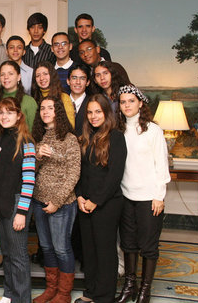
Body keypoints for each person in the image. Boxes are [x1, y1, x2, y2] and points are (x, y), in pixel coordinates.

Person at [116, 85, 170, 303]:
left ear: (140, 103)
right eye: (123, 102)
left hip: (149, 198)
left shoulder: (153, 130)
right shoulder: (118, 130)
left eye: (131, 101)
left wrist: (159, 195)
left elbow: (161, 165)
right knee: (128, 244)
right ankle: (130, 285)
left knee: (148, 246)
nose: (127, 105)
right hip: (125, 196)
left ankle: (145, 291)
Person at [74, 94, 127, 303]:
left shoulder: (116, 137)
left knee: (105, 251)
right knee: (89, 250)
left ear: (106, 113)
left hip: (107, 203)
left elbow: (115, 175)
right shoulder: (86, 136)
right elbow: (79, 171)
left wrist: (95, 200)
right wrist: (79, 196)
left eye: (98, 112)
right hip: (84, 202)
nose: (94, 116)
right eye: (90, 112)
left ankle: (104, 297)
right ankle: (91, 292)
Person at [31, 96, 81, 303]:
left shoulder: (69, 139)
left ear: (58, 111)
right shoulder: (37, 138)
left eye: (50, 108)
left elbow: (73, 174)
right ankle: (51, 289)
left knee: (61, 248)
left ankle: (64, 293)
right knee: (47, 247)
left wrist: (56, 202)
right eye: (42, 108)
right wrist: (37, 156)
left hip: (62, 204)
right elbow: (31, 171)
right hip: (38, 201)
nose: (45, 111)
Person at [0, 97, 36, 303]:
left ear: (18, 116)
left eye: (9, 112)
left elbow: (29, 180)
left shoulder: (26, 142)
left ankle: (22, 298)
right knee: (7, 253)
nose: (4, 116)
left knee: (18, 256)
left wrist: (22, 213)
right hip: (0, 204)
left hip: (17, 204)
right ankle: (9, 294)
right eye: (1, 112)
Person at [31, 61, 75, 128]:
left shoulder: (63, 97)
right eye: (38, 75)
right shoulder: (34, 98)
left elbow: (70, 126)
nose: (42, 78)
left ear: (52, 75)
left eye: (45, 74)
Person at [0, 61, 37, 131]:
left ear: (19, 77)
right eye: (2, 74)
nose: (6, 77)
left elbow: (34, 131)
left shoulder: (29, 101)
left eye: (10, 74)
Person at [68, 64, 92, 137]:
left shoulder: (93, 103)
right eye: (74, 78)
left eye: (82, 78)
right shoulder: (60, 102)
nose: (78, 82)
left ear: (87, 82)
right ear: (68, 81)